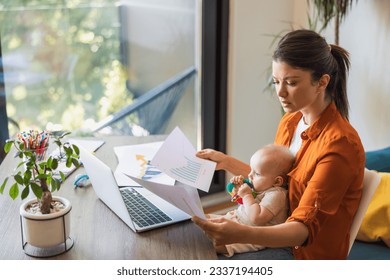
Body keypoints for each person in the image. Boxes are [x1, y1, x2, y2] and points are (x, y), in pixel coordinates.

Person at [193, 29, 365, 260]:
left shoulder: (340, 146)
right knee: (186, 234)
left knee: (193, 254)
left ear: (322, 82)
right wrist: (226, 162)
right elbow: (277, 183)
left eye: (291, 83)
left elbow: (302, 231)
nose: (281, 92)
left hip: (298, 251)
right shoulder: (291, 121)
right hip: (269, 229)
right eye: (276, 81)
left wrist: (240, 233)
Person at [210, 144, 294, 257]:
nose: (250, 175)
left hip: (250, 236)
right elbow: (243, 203)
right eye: (251, 170)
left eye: (257, 173)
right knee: (204, 218)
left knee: (211, 244)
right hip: (236, 220)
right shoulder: (262, 187)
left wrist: (246, 195)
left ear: (277, 182)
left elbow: (257, 218)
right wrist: (237, 189)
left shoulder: (277, 195)